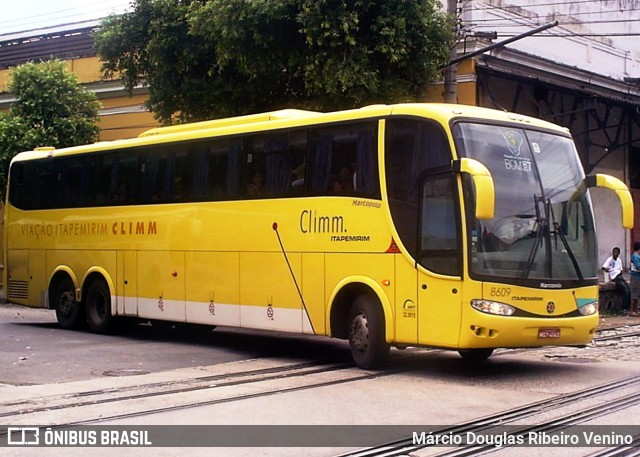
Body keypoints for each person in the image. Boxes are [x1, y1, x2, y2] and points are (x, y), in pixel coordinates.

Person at [602, 246, 631, 315]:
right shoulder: (610, 259)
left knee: (629, 290)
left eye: (616, 252)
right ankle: (623, 309)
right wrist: (608, 270)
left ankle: (627, 308)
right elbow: (603, 267)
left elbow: (621, 270)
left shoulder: (619, 260)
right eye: (614, 252)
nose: (615, 253)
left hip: (619, 276)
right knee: (625, 291)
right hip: (614, 277)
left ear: (618, 253)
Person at [630, 242, 640, 315]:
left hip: (637, 276)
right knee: (635, 294)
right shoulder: (635, 256)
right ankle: (633, 311)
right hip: (635, 277)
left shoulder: (637, 256)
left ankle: (636, 310)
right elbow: (638, 267)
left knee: (637, 294)